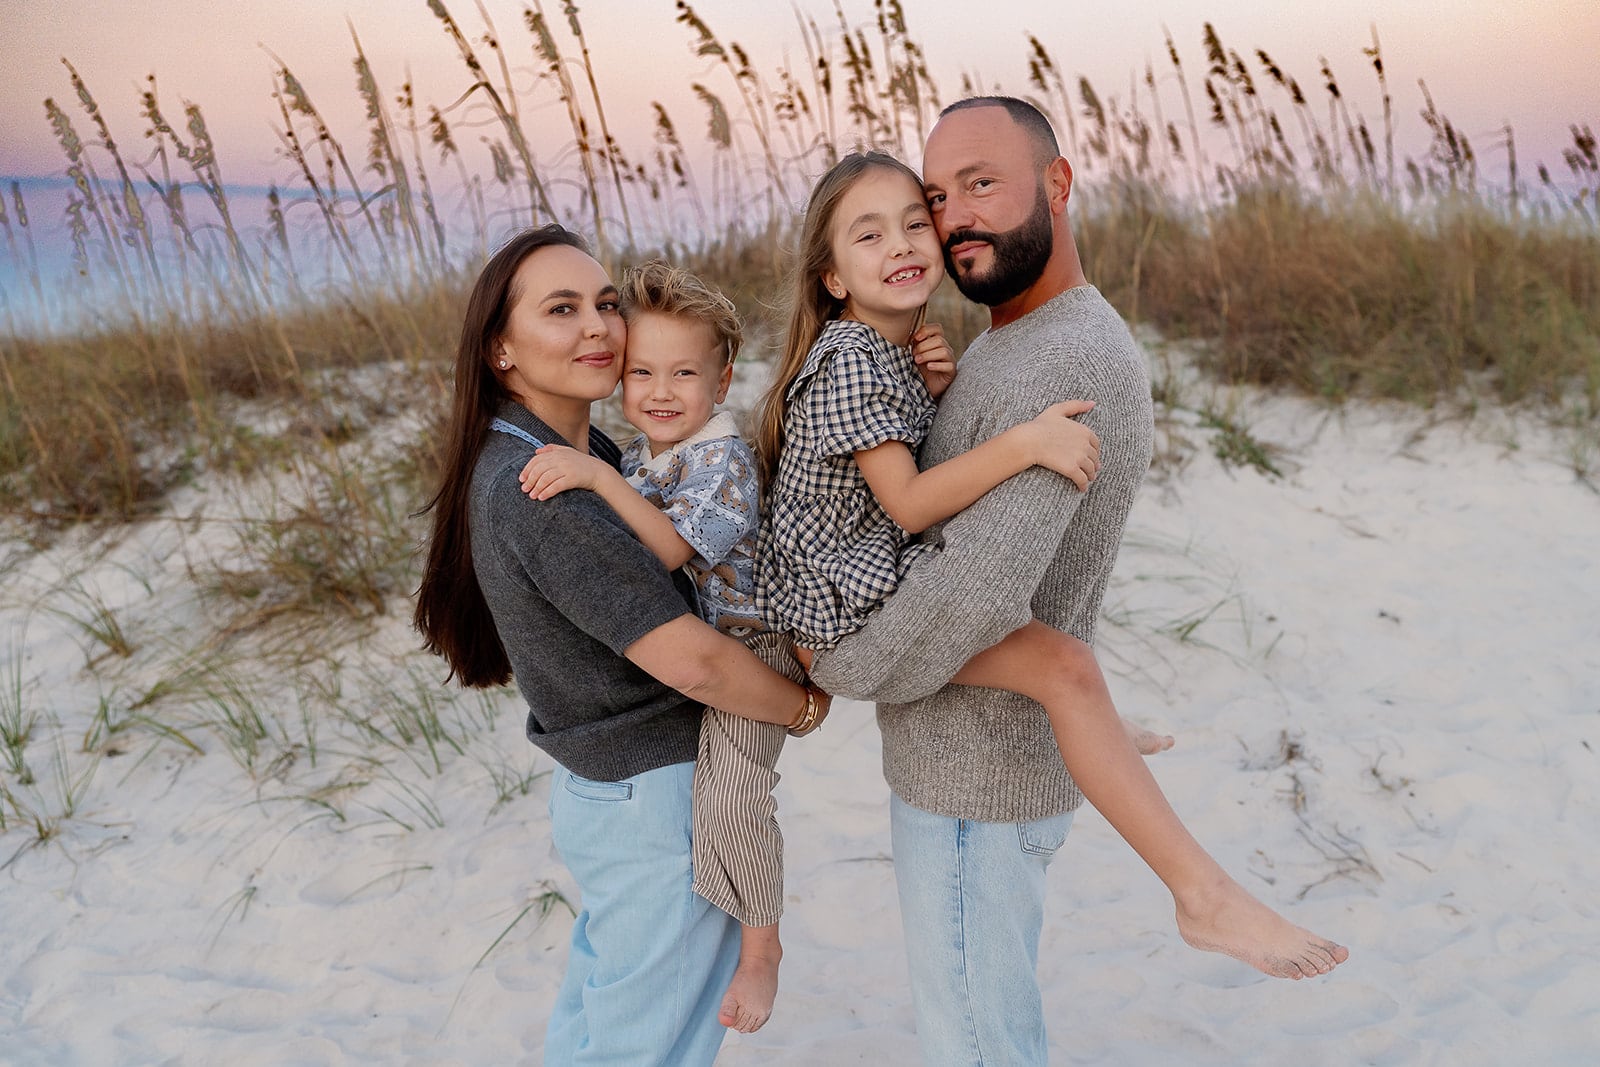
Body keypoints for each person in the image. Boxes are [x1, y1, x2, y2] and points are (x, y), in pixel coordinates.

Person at [796, 101, 1348, 1064]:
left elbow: (973, 598)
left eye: (982, 184)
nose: (954, 216)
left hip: (976, 783)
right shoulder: (1003, 343)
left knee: (977, 1045)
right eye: (939, 196)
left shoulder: (1063, 357)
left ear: (1056, 185)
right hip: (980, 756)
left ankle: (1203, 894)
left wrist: (841, 667)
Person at [412, 225, 826, 1066]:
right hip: (651, 795)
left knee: (605, 1029)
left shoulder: (586, 452)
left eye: (605, 304)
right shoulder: (545, 488)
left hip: (612, 791)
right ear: (502, 347)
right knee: (647, 1046)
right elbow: (692, 659)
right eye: (562, 309)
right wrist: (802, 707)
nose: (599, 327)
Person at [514, 260, 806, 1034]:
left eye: (683, 372)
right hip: (708, 656)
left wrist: (595, 477)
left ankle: (763, 947)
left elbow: (671, 550)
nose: (661, 391)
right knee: (707, 817)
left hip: (755, 647)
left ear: (723, 378)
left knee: (737, 799)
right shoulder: (647, 455)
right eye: (642, 371)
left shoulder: (721, 460)